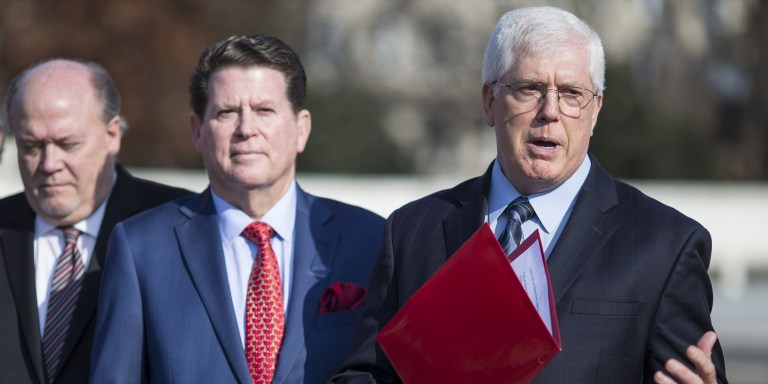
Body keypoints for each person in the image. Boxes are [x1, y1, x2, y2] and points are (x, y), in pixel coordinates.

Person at [332, 6, 726, 384]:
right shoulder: (412, 231)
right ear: (489, 102)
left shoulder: (665, 246)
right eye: (529, 89)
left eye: (572, 93)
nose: (550, 111)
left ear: (596, 111)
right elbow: (367, 372)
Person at [90, 34, 385, 384]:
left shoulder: (371, 240)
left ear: (301, 129)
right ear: (197, 131)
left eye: (264, 110)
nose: (246, 129)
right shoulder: (140, 248)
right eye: (226, 112)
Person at [0, 59, 191, 384]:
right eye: (31, 146)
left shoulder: (180, 225)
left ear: (112, 134)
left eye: (67, 144)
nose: (49, 164)